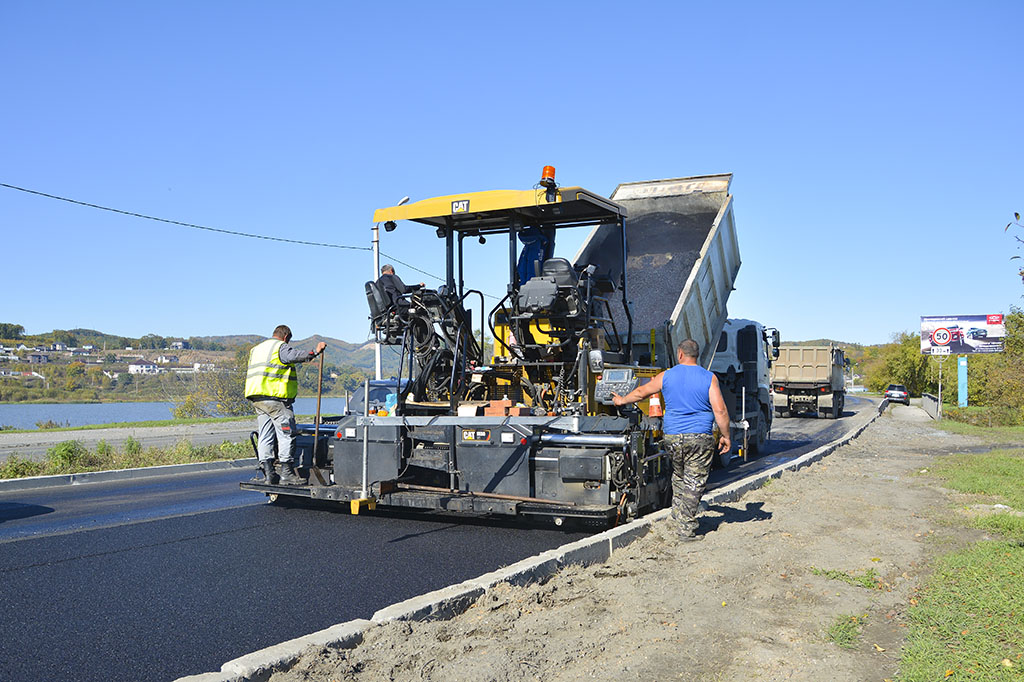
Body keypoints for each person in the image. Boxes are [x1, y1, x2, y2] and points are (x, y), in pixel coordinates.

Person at [612, 339, 731, 541]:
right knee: (694, 481)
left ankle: (677, 517)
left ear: (680, 354)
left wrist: (621, 400)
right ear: (697, 355)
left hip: (673, 437)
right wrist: (726, 436)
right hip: (699, 436)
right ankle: (685, 529)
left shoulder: (666, 375)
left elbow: (642, 392)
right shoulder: (709, 378)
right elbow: (720, 410)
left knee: (679, 476)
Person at [244, 325, 327, 485]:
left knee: (265, 435)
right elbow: (295, 356)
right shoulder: (279, 347)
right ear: (285, 336)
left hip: (258, 398)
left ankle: (269, 474)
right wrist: (315, 352)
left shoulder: (257, 349)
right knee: (286, 434)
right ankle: (286, 473)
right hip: (276, 399)